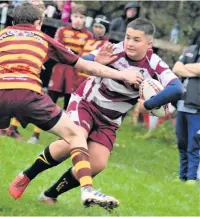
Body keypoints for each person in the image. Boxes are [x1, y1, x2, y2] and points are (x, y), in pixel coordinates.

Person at [10, 18, 183, 206]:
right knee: (75, 140)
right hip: (86, 103)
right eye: (127, 37)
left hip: (110, 119)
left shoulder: (154, 64)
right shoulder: (114, 51)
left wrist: (149, 104)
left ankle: (49, 195)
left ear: (149, 44)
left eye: (136, 40)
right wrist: (97, 61)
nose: (130, 44)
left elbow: (176, 88)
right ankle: (26, 175)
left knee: (97, 164)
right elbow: (79, 61)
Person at [0, 3, 143, 210]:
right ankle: (87, 189)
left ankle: (31, 178)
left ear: (13, 22)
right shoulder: (43, 38)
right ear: (39, 23)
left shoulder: (2, 36)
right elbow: (84, 65)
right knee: (76, 135)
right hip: (29, 93)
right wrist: (122, 74)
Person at [172, 37, 200, 184]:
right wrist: (193, 70)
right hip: (182, 104)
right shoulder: (191, 49)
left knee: (194, 144)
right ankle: (182, 175)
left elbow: (183, 68)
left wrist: (185, 68)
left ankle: (191, 177)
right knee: (182, 142)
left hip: (197, 108)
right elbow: (176, 68)